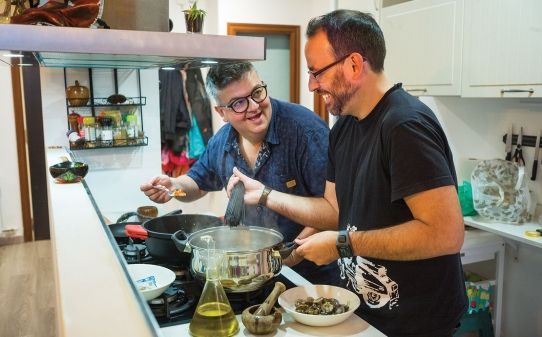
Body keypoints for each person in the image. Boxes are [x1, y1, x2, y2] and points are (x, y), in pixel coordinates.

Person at [227, 10, 467, 337]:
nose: (311, 84)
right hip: (362, 312)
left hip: (416, 322)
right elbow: (335, 210)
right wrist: (266, 198)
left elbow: (446, 234)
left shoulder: (404, 126)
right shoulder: (344, 128)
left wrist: (343, 244)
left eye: (317, 72)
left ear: (354, 65)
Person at [140, 62, 339, 285]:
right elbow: (197, 182)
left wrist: (288, 256)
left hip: (310, 277)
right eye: (238, 103)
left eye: (257, 93)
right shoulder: (223, 140)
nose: (254, 106)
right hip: (251, 274)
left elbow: (333, 213)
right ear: (221, 112)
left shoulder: (306, 132)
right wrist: (174, 185)